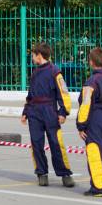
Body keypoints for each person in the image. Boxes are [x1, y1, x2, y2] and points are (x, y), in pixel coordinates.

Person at [20, 43, 74, 188]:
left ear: (39, 55)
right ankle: (42, 173)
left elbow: (63, 93)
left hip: (50, 112)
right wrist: (26, 111)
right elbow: (31, 95)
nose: (32, 58)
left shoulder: (55, 72)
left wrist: (63, 111)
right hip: (34, 113)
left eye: (33, 55)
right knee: (36, 144)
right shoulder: (35, 73)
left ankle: (65, 174)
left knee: (56, 144)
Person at [76, 48, 102, 197]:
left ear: (91, 62)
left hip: (95, 118)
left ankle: (98, 187)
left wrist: (81, 125)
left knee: (94, 151)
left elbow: (85, 104)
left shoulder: (92, 81)